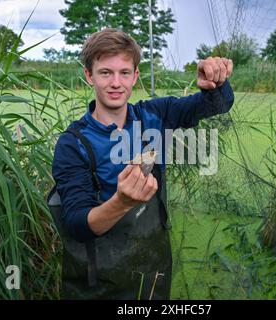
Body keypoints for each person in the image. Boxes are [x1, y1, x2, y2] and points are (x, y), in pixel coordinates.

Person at [51, 28, 234, 300]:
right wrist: (122, 202)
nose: (116, 82)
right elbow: (77, 225)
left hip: (152, 272)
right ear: (89, 75)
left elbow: (214, 106)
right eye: (105, 72)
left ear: (135, 76)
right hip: (98, 282)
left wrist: (214, 83)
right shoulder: (73, 143)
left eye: (124, 72)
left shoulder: (154, 116)